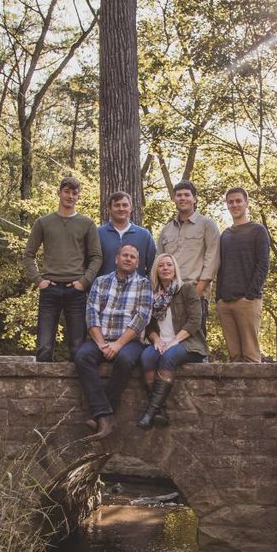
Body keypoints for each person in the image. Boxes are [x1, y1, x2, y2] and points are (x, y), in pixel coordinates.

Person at [73, 243, 152, 439]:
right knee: (82, 356)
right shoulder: (101, 282)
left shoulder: (144, 284)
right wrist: (101, 343)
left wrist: (118, 344)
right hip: (101, 338)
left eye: (132, 257)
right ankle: (106, 414)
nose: (128, 259)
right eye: (124, 255)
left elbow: (142, 318)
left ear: (138, 263)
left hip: (129, 342)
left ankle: (100, 414)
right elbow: (92, 313)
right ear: (116, 259)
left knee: (124, 361)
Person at [22, 176, 103, 362]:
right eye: (66, 192)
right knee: (44, 346)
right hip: (49, 288)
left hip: (76, 290)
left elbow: (97, 257)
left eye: (74, 193)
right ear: (59, 193)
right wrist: (38, 281)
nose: (70, 196)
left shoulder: (87, 224)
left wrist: (84, 282)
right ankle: (43, 391)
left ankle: (76, 391)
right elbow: (28, 255)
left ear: (78, 197)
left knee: (77, 347)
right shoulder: (43, 223)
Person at [137, 254, 208, 429]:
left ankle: (150, 413)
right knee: (147, 357)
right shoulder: (152, 294)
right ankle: (160, 411)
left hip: (187, 343)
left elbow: (194, 321)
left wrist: (174, 341)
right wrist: (156, 340)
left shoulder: (187, 289)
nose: (166, 268)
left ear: (175, 268)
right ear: (156, 270)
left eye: (169, 265)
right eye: (161, 265)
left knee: (168, 357)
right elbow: (149, 324)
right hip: (162, 341)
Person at [216, 186, 270, 362]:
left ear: (246, 203)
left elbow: (263, 264)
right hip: (225, 302)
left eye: (238, 201)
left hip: (247, 301)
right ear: (227, 205)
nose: (235, 204)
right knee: (234, 356)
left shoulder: (258, 231)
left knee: (251, 356)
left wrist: (250, 295)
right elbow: (220, 267)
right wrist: (219, 299)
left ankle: (256, 391)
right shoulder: (225, 235)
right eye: (231, 202)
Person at [157, 180, 220, 332]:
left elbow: (212, 260)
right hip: (168, 296)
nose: (182, 198)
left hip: (194, 292)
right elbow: (158, 260)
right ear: (174, 199)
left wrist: (197, 292)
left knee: (195, 346)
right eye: (179, 195)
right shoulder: (166, 230)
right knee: (170, 341)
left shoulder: (207, 225)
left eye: (187, 195)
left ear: (194, 199)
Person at [97, 191, 156, 278]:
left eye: (125, 205)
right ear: (109, 209)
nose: (121, 209)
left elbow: (153, 266)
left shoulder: (144, 235)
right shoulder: (98, 234)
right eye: (117, 205)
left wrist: (148, 286)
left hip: (136, 290)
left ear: (131, 208)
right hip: (104, 289)